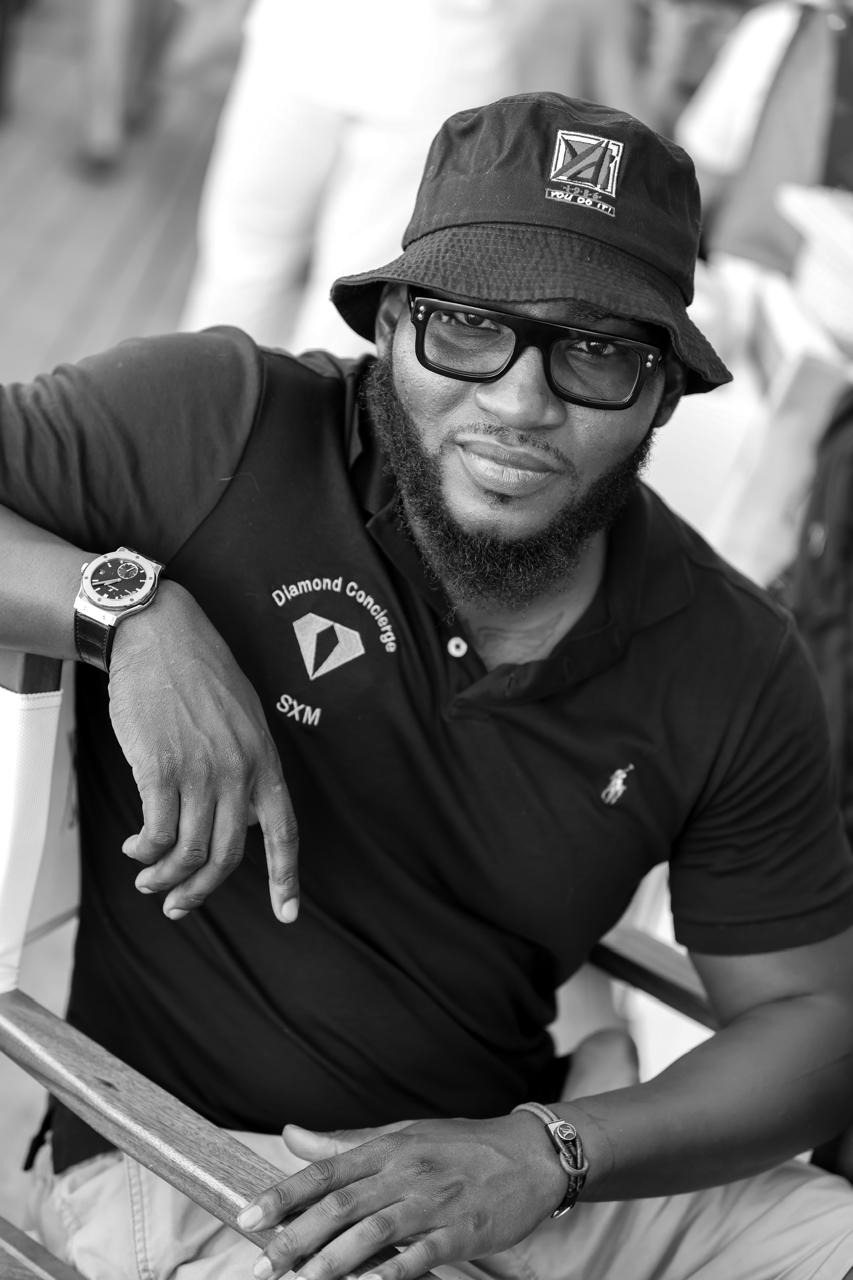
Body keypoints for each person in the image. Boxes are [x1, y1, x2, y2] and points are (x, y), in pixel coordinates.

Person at [2, 92, 853, 1280]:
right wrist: (130, 610)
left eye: (596, 351)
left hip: (532, 1168)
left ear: (664, 391)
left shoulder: (730, 655)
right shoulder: (224, 427)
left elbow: (813, 1021)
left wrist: (549, 1149)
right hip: (207, 1172)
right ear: (393, 325)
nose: (517, 402)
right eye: (466, 326)